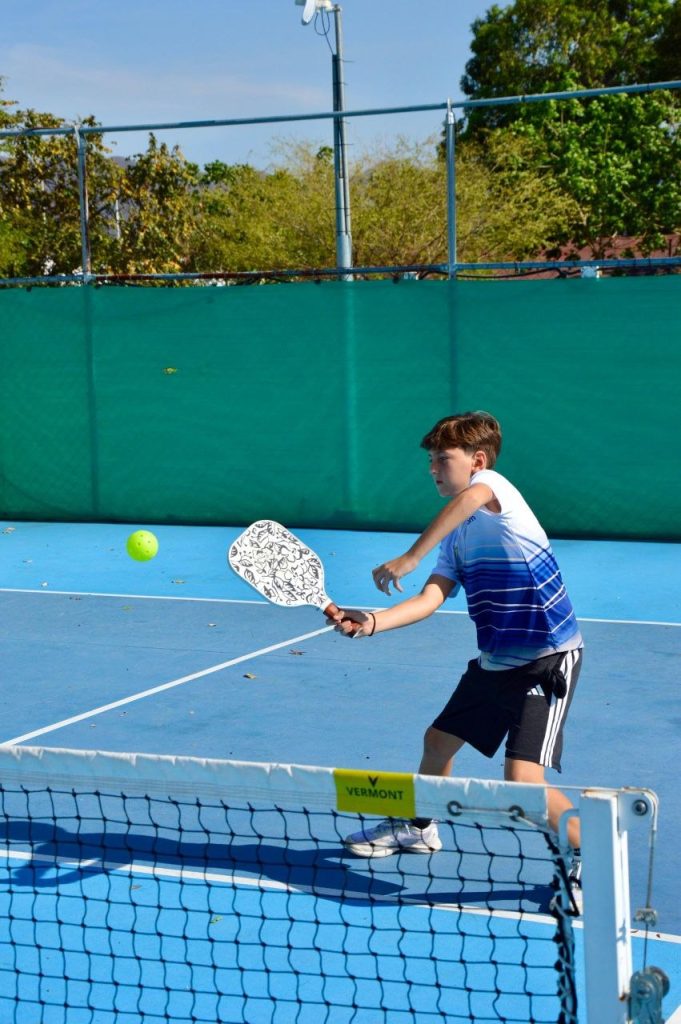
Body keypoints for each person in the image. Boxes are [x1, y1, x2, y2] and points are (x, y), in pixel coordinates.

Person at [333, 411, 583, 885]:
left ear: (478, 461)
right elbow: (429, 600)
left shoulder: (495, 489)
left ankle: (593, 854)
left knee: (523, 782)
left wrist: (411, 555)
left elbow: (472, 497)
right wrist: (371, 623)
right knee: (438, 742)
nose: (432, 468)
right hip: (495, 663)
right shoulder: (457, 540)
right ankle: (418, 827)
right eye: (430, 460)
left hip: (546, 660)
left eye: (442, 458)